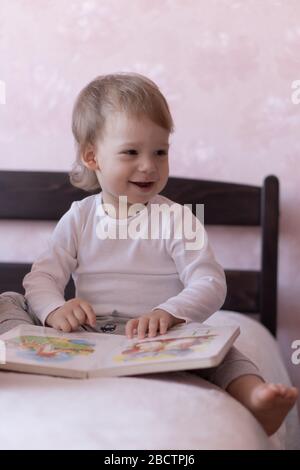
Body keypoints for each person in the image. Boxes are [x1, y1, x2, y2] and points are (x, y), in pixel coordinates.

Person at [0, 72, 297, 435]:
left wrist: (169, 312)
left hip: (159, 338)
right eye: (131, 152)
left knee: (221, 346)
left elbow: (209, 280)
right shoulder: (79, 217)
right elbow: (43, 276)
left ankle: (255, 396)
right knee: (10, 301)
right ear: (92, 156)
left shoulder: (177, 218)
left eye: (160, 151)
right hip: (86, 336)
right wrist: (54, 309)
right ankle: (14, 355)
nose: (149, 165)